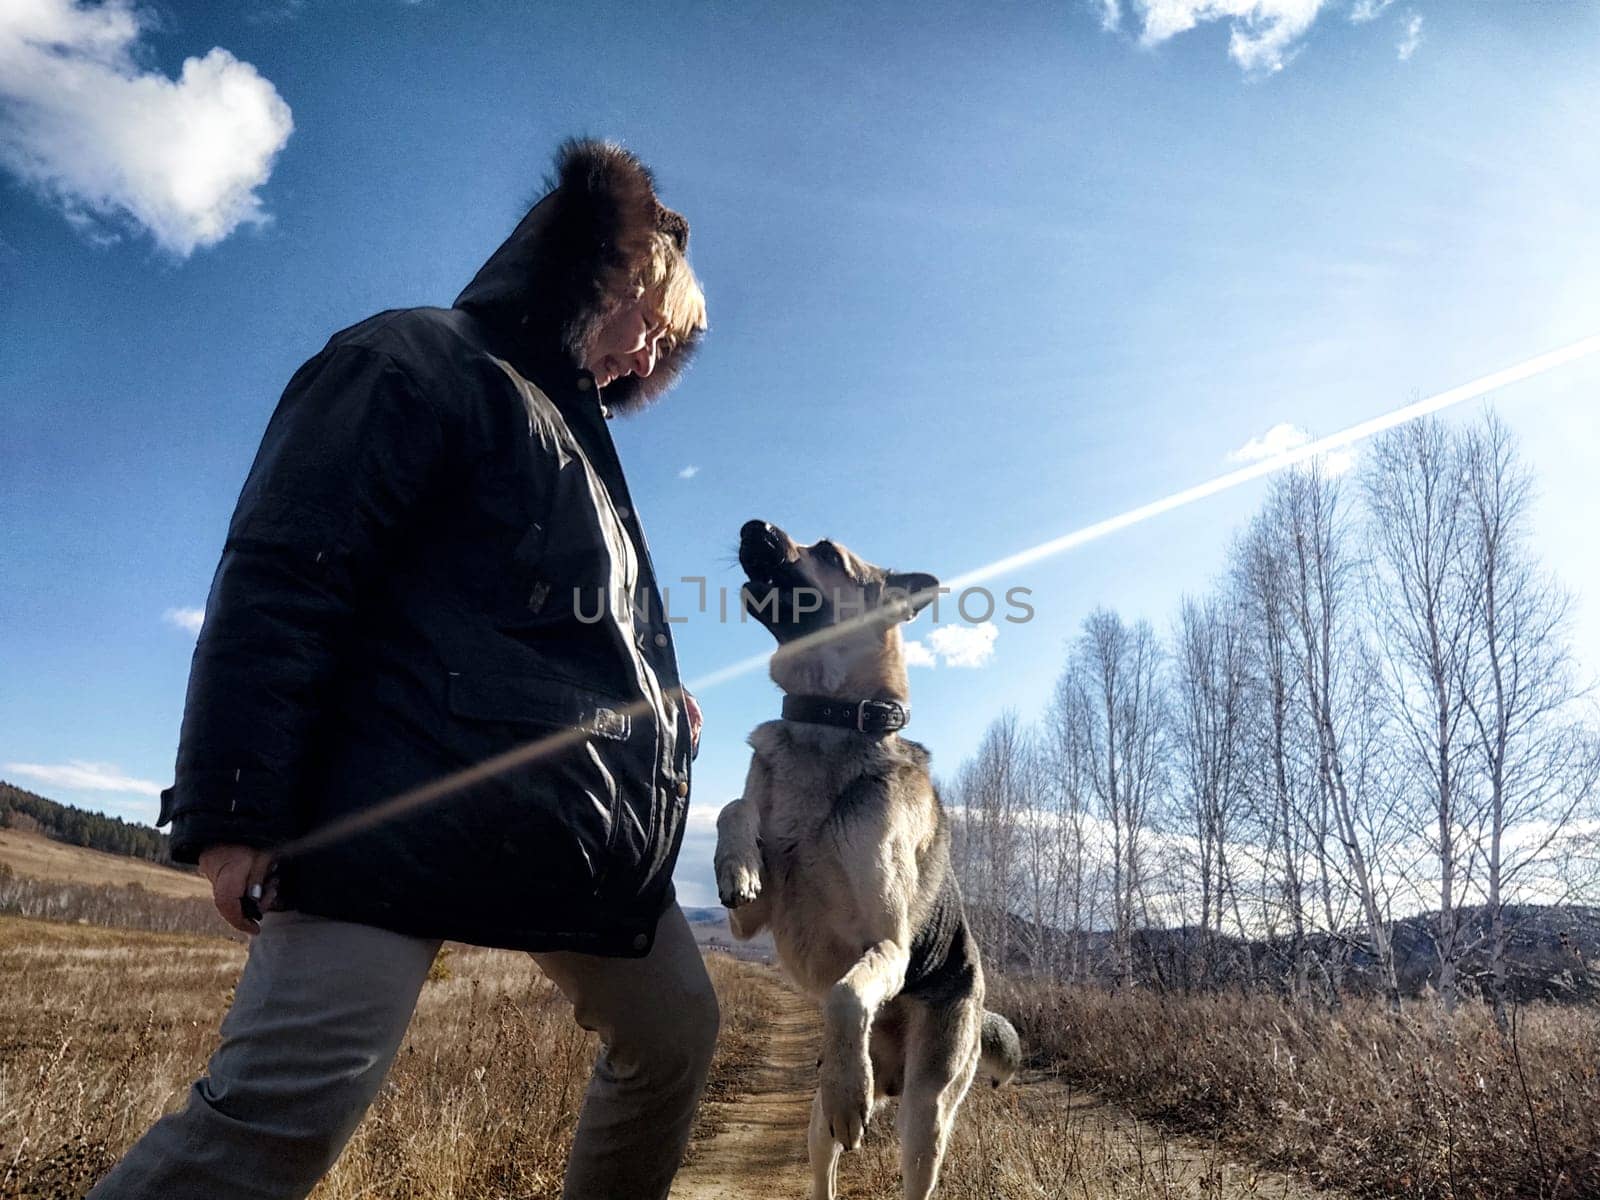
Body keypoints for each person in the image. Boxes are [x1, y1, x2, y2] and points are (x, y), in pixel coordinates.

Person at [89, 139, 714, 1200]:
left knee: (678, 1032)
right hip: (387, 816)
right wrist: (235, 808)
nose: (646, 361)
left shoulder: (585, 471)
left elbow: (546, 630)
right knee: (276, 1125)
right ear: (603, 272)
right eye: (652, 321)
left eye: (668, 350)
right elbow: (286, 573)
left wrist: (657, 706)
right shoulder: (413, 358)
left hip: (563, 831)